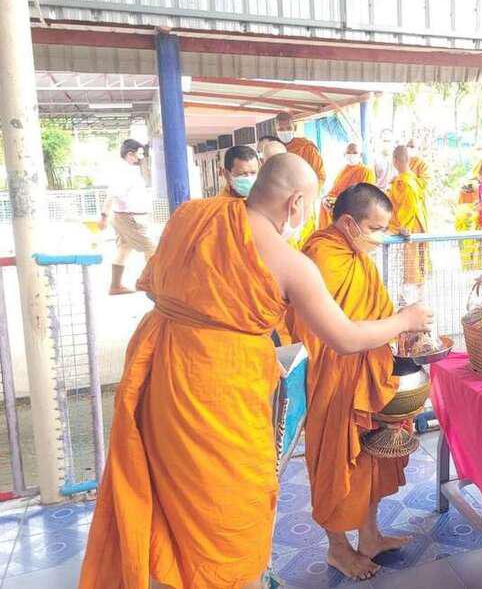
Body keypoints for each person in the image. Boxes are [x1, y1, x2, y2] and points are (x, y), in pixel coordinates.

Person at [78, 154, 431, 589]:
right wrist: (406, 319)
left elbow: (159, 286)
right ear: (296, 203)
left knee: (169, 488)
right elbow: (343, 337)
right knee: (232, 497)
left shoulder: (191, 216)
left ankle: (174, 573)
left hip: (162, 369)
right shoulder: (290, 262)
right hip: (222, 387)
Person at [291, 184, 410, 581]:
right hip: (333, 376)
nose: (380, 237)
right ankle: (338, 549)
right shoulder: (323, 258)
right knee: (337, 461)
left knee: (371, 454)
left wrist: (400, 327)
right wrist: (403, 321)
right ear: (348, 223)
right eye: (375, 228)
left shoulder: (356, 255)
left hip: (367, 371)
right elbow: (340, 332)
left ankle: (370, 536)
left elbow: (373, 312)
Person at [98, 139, 156, 295]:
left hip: (124, 217)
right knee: (152, 249)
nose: (142, 157)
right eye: (140, 153)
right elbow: (112, 195)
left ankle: (115, 285)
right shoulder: (125, 173)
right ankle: (149, 283)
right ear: (130, 154)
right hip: (130, 218)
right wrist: (103, 216)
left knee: (124, 249)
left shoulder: (126, 171)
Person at [388, 146, 429, 287]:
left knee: (410, 264)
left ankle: (408, 293)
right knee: (418, 260)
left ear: (394, 161)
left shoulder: (402, 182)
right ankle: (417, 289)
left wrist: (402, 227)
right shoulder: (414, 179)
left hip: (408, 226)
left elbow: (407, 208)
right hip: (420, 223)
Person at [319, 142, 376, 229]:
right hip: (337, 205)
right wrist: (326, 199)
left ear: (360, 155)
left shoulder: (366, 172)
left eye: (355, 153)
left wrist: (342, 203)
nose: (351, 155)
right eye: (348, 153)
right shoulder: (343, 171)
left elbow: (366, 198)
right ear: (344, 155)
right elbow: (334, 191)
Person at [275, 111, 326, 190]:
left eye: (289, 128)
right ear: (275, 130)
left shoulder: (307, 148)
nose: (285, 132)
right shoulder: (273, 150)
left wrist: (308, 193)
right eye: (281, 129)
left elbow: (320, 176)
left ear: (294, 128)